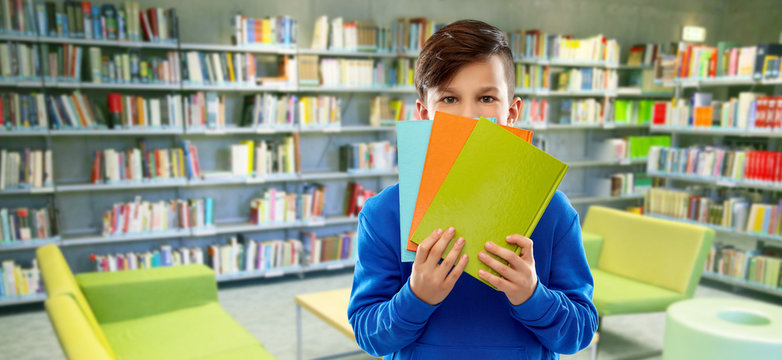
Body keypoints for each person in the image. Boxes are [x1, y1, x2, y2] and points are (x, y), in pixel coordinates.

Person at [347, 19, 598, 359]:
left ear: (512, 112)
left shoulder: (552, 210)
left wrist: (532, 294)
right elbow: (369, 335)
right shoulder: (383, 214)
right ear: (424, 114)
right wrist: (417, 296)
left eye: (486, 98)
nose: (469, 117)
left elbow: (579, 333)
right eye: (449, 98)